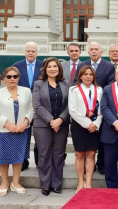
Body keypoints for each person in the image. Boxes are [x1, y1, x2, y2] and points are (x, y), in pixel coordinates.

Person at [0, 66, 34, 196]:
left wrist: (25, 123)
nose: (12, 79)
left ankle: (15, 182)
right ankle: (4, 182)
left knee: (18, 157)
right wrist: (9, 125)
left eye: (15, 76)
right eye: (9, 76)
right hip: (3, 130)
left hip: (21, 129)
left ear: (18, 78)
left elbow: (31, 109)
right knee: (3, 158)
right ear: (4, 78)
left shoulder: (26, 91)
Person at [73, 42, 115, 175]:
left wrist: (98, 97)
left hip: (100, 108)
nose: (94, 51)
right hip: (82, 110)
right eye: (91, 49)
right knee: (83, 146)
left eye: (97, 49)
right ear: (88, 52)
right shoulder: (82, 64)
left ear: (101, 52)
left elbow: (109, 86)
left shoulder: (108, 66)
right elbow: (76, 82)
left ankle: (101, 164)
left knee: (101, 140)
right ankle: (85, 167)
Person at [32, 58, 70, 196]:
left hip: (62, 124)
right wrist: (51, 120)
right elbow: (37, 105)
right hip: (42, 125)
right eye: (50, 67)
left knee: (58, 155)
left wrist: (60, 119)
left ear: (59, 69)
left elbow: (69, 105)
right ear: (45, 69)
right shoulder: (38, 84)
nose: (52, 69)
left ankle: (56, 184)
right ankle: (45, 184)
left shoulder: (66, 84)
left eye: (55, 66)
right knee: (44, 154)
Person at [68, 65, 103, 192]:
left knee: (91, 154)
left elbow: (101, 110)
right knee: (79, 154)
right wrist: (88, 124)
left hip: (95, 126)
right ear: (80, 76)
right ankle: (80, 183)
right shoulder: (74, 90)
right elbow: (72, 110)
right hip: (80, 126)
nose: (88, 76)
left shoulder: (99, 90)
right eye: (85, 74)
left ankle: (88, 183)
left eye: (90, 74)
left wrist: (96, 124)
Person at [12, 42, 44, 170]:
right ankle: (22, 161)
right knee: (23, 135)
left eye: (33, 51)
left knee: (40, 135)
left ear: (37, 53)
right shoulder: (16, 67)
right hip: (22, 106)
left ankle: (39, 161)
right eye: (28, 51)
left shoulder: (43, 66)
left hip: (40, 106)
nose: (30, 53)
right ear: (24, 52)